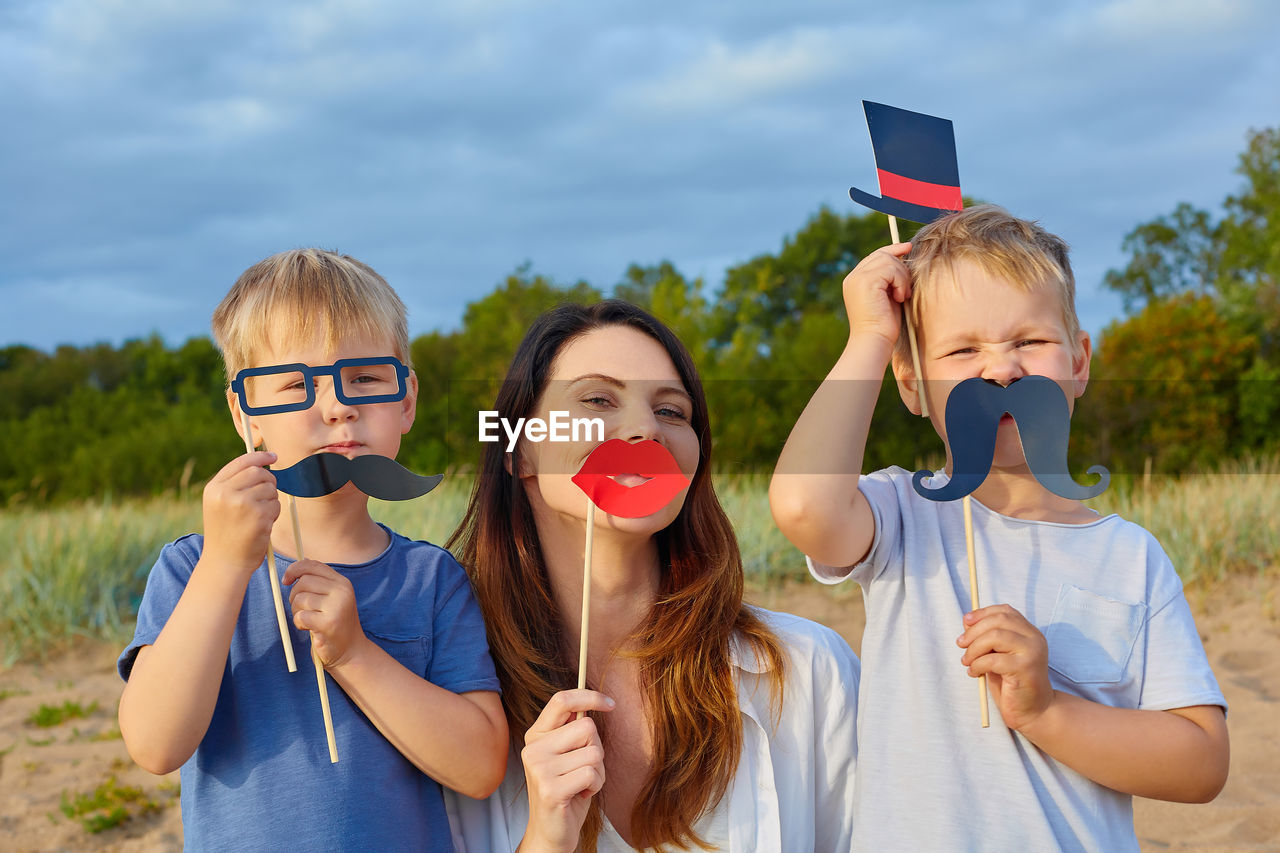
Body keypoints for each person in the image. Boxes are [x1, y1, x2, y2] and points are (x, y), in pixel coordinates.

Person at [770, 204, 1229, 850]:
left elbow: (1202, 762)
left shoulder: (1129, 555)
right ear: (911, 384)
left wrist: (1048, 710)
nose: (1001, 369)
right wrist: (869, 337)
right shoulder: (902, 516)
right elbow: (802, 508)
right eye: (962, 350)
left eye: (1029, 341)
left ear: (1079, 361)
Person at [117, 249, 507, 852]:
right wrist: (226, 566)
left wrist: (355, 654)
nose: (337, 405)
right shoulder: (192, 568)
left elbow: (479, 766)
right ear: (246, 411)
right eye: (297, 384)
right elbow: (154, 744)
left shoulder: (431, 578)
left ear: (406, 401)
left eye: (367, 378)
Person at [445, 300, 859, 852]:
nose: (644, 429)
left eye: (671, 412)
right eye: (597, 399)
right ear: (520, 451)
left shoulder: (811, 673)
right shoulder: (446, 706)